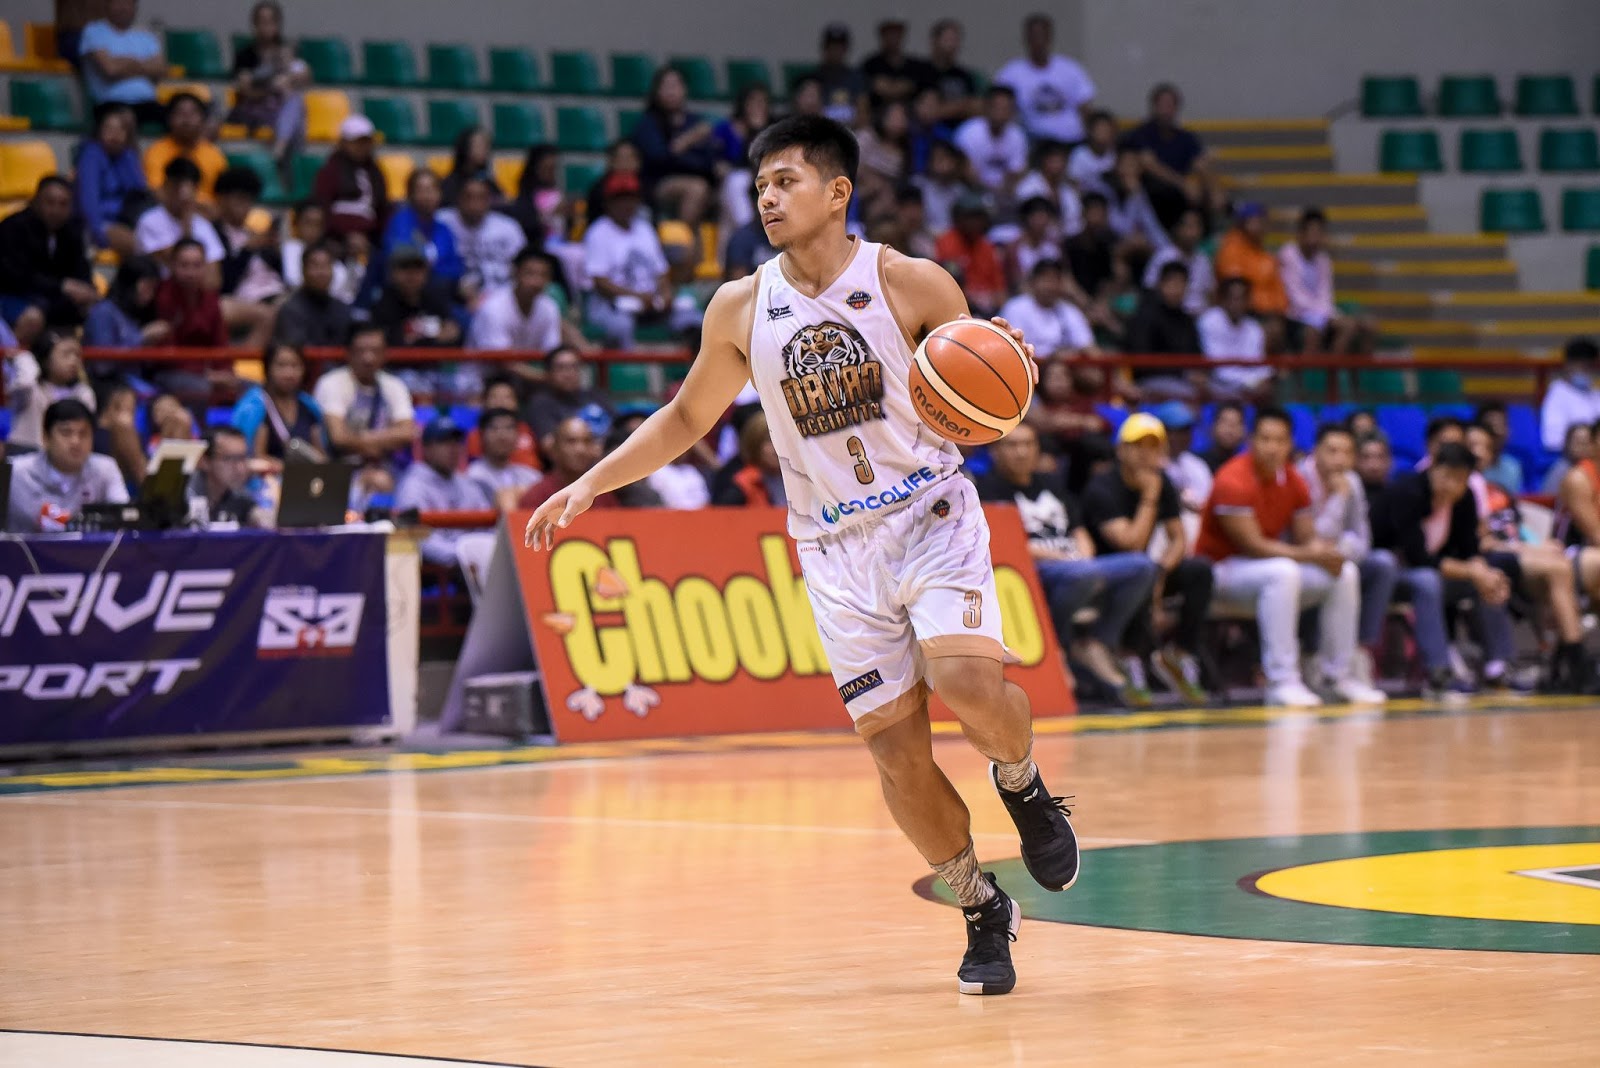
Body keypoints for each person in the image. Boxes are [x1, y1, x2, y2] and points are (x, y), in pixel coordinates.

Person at [524, 114, 1079, 997]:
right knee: (897, 756)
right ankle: (981, 906)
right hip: (833, 548)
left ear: (837, 191)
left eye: (785, 182)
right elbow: (685, 416)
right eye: (760, 187)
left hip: (930, 513)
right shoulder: (741, 306)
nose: (768, 199)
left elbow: (981, 386)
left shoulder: (910, 280)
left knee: (970, 684)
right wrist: (591, 483)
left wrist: (1006, 361)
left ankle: (1022, 782)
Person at [1194, 406, 1386, 707]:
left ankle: (1340, 677)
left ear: (1290, 444)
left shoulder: (1293, 479)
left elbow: (1306, 537)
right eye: (1265, 439)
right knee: (1284, 571)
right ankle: (1281, 681)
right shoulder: (1232, 479)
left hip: (1268, 572)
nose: (1272, 448)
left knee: (1343, 572)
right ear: (1251, 441)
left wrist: (1326, 554)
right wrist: (1310, 554)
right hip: (1221, 573)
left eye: (1279, 440)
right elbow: (1253, 545)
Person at [976, 421, 1159, 707]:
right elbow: (1006, 544)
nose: (1021, 452)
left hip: (1078, 565)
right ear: (995, 451)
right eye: (1012, 445)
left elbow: (1079, 530)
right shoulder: (986, 488)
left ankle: (1098, 641)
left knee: (1142, 566)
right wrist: (1072, 561)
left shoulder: (1051, 483)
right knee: (1083, 574)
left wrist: (1083, 556)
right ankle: (1058, 644)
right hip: (1032, 570)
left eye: (1028, 444)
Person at [1080, 413, 1214, 703]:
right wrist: (1149, 497)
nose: (1146, 454)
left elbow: (1179, 539)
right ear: (1121, 450)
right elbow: (1131, 543)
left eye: (1154, 447)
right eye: (1138, 446)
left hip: (1145, 569)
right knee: (1142, 570)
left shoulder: (1161, 480)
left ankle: (1180, 652)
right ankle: (1128, 657)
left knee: (1199, 571)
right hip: (1105, 572)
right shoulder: (1102, 488)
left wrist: (1162, 572)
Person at [1372, 444, 1522, 696]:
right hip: (1390, 576)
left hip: (1435, 574)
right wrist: (1473, 572)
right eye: (1446, 476)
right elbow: (1417, 557)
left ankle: (1499, 665)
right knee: (1428, 580)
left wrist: (1485, 575)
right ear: (1432, 467)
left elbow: (1470, 550)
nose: (1451, 485)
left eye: (1460, 479)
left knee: (1489, 577)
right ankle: (1438, 672)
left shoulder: (1464, 500)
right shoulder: (1407, 492)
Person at [1297, 424, 1394, 682]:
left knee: (1382, 564)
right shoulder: (1299, 479)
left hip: (1339, 558)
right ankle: (1312, 652)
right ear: (1316, 451)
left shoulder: (1352, 480)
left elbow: (1363, 537)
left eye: (1347, 452)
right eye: (1332, 451)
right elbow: (1313, 536)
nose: (1340, 459)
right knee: (1338, 572)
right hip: (1302, 558)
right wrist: (1339, 498)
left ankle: (1359, 650)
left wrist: (1340, 552)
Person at [313, 324, 417, 495]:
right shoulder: (331, 383)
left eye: (375, 351)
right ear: (349, 353)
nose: (368, 358)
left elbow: (407, 432)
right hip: (337, 468)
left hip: (385, 466)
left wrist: (362, 439)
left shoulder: (395, 385)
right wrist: (384, 441)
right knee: (379, 481)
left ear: (385, 354)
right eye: (361, 351)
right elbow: (338, 438)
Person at [5, 399, 129, 533]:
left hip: (88, 547)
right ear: (45, 437)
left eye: (83, 434)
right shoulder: (14, 472)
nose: (75, 441)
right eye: (66, 433)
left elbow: (125, 519)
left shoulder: (105, 469)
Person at [0, 177, 96, 347]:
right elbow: (19, 278)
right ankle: (12, 361)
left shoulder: (73, 231)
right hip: (12, 295)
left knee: (96, 310)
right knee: (33, 317)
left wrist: (86, 291)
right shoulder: (13, 227)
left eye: (63, 204)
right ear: (36, 201)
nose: (56, 210)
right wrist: (62, 286)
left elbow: (82, 270)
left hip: (52, 298)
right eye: (50, 202)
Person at [582, 173, 674, 348]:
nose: (627, 204)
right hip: (610, 304)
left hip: (650, 302)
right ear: (608, 203)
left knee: (691, 318)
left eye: (631, 198)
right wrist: (637, 297)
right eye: (620, 199)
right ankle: (631, 366)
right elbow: (600, 282)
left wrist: (665, 294)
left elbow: (661, 271)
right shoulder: (598, 232)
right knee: (621, 326)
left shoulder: (645, 229)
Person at [395, 416, 492, 565]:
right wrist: (461, 555)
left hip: (469, 564)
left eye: (456, 442)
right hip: (433, 570)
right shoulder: (412, 486)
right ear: (427, 449)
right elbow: (417, 537)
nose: (453, 448)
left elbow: (487, 527)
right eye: (444, 442)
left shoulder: (466, 484)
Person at [1122, 83, 1218, 229]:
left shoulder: (1186, 137)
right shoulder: (1141, 135)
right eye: (1162, 105)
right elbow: (1150, 165)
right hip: (1153, 192)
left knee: (1207, 194)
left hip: (1181, 193)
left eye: (1170, 105)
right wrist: (1182, 184)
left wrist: (1213, 190)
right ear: (1153, 106)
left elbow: (1200, 163)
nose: (1166, 110)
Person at [228, 0, 309, 168]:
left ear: (278, 24)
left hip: (278, 110)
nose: (266, 26)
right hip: (252, 110)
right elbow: (246, 93)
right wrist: (271, 88)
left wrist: (290, 77)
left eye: (270, 21)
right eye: (261, 21)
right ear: (254, 24)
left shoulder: (287, 52)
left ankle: (280, 150)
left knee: (295, 102)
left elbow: (305, 77)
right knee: (295, 115)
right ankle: (293, 161)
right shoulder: (245, 55)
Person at [631, 67, 717, 226]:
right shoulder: (649, 123)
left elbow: (708, 159)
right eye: (666, 86)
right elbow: (658, 158)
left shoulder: (694, 121)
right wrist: (687, 141)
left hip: (700, 178)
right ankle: (682, 237)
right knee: (696, 188)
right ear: (657, 92)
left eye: (676, 85)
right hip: (658, 183)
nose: (672, 91)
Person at [1279, 208, 1371, 354]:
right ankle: (1323, 367)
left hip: (1321, 312)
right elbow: (1294, 296)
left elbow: (1325, 292)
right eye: (1312, 233)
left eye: (1319, 234)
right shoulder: (1288, 254)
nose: (1315, 239)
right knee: (1329, 329)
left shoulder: (1323, 259)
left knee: (1366, 325)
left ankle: (1349, 367)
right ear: (1301, 233)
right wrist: (1324, 314)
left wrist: (1326, 314)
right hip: (1295, 314)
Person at [994, 13, 1096, 145]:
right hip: (1035, 143)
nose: (1038, 41)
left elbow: (1085, 107)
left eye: (1042, 35)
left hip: (1071, 140)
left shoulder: (1070, 68)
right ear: (1026, 38)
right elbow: (997, 106)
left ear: (1050, 37)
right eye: (1034, 36)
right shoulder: (1011, 73)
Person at [214, 165, 286, 347]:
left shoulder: (252, 234)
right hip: (242, 299)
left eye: (249, 200)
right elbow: (223, 283)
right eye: (240, 198)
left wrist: (275, 253)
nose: (245, 205)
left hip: (275, 292)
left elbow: (279, 275)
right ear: (222, 199)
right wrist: (246, 250)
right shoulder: (213, 233)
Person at [232, 342, 327, 463]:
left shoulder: (309, 407)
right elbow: (257, 457)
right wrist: (284, 468)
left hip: (306, 473)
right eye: (281, 365)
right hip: (268, 474)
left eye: (295, 365)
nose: (289, 373)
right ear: (267, 368)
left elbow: (320, 455)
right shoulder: (254, 407)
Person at [78, 0, 166, 127]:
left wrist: (123, 62)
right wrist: (143, 65)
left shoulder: (146, 36)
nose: (123, 8)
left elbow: (160, 70)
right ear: (107, 5)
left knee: (180, 116)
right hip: (111, 104)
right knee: (126, 119)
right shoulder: (94, 31)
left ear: (135, 7)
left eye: (128, 3)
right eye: (118, 2)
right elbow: (110, 70)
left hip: (148, 103)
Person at [76, 104, 148, 257]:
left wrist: (128, 157)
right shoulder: (91, 155)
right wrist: (98, 233)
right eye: (109, 129)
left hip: (129, 221)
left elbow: (139, 193)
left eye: (120, 130)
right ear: (99, 131)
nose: (114, 135)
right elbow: (89, 201)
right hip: (101, 223)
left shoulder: (128, 156)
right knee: (143, 245)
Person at [469, 249, 575, 352]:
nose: (537, 282)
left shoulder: (549, 306)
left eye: (544, 275)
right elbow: (500, 358)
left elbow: (551, 351)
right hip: (486, 365)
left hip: (529, 364)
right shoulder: (494, 308)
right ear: (515, 273)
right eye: (530, 274)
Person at [4, 332, 97, 451]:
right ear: (46, 359)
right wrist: (26, 357)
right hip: (25, 451)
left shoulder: (83, 393)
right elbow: (25, 383)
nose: (74, 361)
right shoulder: (31, 390)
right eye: (66, 354)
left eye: (77, 355)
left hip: (65, 454)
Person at [440, 175, 527, 300]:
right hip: (456, 293)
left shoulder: (508, 226)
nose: (474, 204)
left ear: (489, 200)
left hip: (503, 294)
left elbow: (523, 265)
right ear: (458, 198)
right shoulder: (443, 222)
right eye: (468, 197)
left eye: (481, 198)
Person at [1214, 202, 1287, 349]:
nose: (1259, 225)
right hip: (1241, 314)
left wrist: (1277, 311)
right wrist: (1265, 309)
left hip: (1268, 315)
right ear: (1242, 223)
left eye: (1262, 221)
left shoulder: (1266, 255)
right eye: (1254, 221)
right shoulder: (1231, 249)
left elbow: (1278, 290)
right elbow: (1235, 291)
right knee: (1268, 331)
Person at [1125, 261, 1201, 400]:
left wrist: (1199, 375)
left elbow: (1197, 355)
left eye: (1181, 283)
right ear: (1160, 284)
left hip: (1185, 380)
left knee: (1222, 393)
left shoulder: (1187, 320)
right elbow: (1142, 362)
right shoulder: (1145, 316)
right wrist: (1182, 373)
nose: (1177, 289)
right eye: (1172, 283)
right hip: (1150, 380)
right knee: (1189, 394)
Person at [314, 116, 389, 257]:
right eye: (357, 142)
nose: (362, 147)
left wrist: (370, 236)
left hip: (369, 240)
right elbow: (323, 207)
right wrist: (345, 235)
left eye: (366, 142)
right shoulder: (330, 172)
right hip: (336, 240)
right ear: (344, 142)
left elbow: (381, 209)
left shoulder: (376, 173)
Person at [517, 414, 621, 512]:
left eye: (587, 441)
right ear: (554, 448)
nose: (580, 449)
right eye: (571, 441)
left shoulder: (603, 495)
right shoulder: (536, 495)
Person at [382, 169, 464, 291]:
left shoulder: (444, 230)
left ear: (440, 194)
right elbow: (405, 264)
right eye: (421, 190)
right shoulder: (400, 222)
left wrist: (432, 269)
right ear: (410, 194)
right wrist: (437, 268)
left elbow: (456, 269)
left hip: (439, 291)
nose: (427, 196)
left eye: (432, 189)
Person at [135, 158, 225, 268]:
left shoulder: (204, 225)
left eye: (188, 188)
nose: (182, 195)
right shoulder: (149, 221)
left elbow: (213, 273)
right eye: (176, 186)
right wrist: (186, 227)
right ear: (166, 185)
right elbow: (175, 264)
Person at [142, 93, 228, 205]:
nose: (186, 120)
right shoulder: (155, 152)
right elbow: (156, 191)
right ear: (169, 119)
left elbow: (224, 196)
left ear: (203, 119)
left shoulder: (215, 155)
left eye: (192, 114)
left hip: (208, 212)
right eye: (180, 113)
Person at [998, 260, 1096, 358]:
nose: (1051, 286)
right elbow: (1010, 348)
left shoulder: (1069, 311)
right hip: (1026, 364)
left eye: (1055, 280)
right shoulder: (1015, 308)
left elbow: (1087, 346)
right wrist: (1051, 357)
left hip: (1063, 365)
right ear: (1033, 282)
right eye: (1046, 280)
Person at [1197, 277, 1272, 402]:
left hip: (1250, 387)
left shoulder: (1254, 328)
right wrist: (1249, 382)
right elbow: (1219, 367)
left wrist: (1262, 379)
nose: (1237, 304)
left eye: (1242, 298)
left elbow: (1259, 363)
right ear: (1222, 300)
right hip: (1218, 384)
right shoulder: (1209, 321)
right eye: (1233, 298)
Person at [934, 192, 1007, 317]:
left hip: (987, 310)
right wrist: (974, 297)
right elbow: (945, 286)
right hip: (955, 308)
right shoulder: (946, 242)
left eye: (978, 218)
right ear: (958, 219)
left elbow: (1000, 290)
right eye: (970, 218)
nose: (975, 223)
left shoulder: (987, 247)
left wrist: (993, 301)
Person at [524, 346, 614, 442]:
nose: (569, 374)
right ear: (548, 373)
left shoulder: (595, 395)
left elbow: (619, 426)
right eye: (561, 368)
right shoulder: (540, 404)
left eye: (574, 367)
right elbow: (549, 444)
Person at [952, 86, 1028, 197]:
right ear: (986, 107)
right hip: (972, 189)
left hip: (1004, 192)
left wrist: (1003, 192)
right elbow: (966, 173)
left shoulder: (1017, 135)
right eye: (996, 107)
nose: (1000, 113)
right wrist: (990, 192)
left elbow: (1016, 172)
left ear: (1012, 111)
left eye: (1005, 108)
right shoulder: (968, 133)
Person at [274, 243, 352, 347]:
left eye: (326, 266)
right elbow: (294, 349)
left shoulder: (342, 309)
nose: (321, 273)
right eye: (315, 266)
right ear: (303, 270)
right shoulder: (290, 309)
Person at [154, 237, 226, 348]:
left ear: (205, 266)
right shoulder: (163, 296)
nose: (191, 273)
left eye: (197, 265)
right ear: (172, 265)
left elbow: (221, 342)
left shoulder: (210, 297)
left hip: (207, 357)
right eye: (184, 265)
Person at [466, 407, 542, 510]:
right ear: (481, 435)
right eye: (494, 429)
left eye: (509, 428)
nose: (502, 436)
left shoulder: (532, 476)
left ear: (518, 435)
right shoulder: (472, 476)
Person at [84, 255, 169, 349]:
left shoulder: (141, 314)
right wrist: (143, 337)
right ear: (130, 283)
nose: (151, 294)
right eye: (147, 287)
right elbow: (103, 353)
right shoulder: (103, 312)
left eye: (154, 288)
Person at [1142, 207, 1212, 316]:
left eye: (1196, 226)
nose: (1192, 232)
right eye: (1188, 226)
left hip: (1199, 316)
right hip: (1169, 315)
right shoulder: (1163, 257)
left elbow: (1210, 294)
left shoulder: (1203, 260)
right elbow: (1150, 290)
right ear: (1178, 229)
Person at [188, 426, 261, 527]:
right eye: (229, 459)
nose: (240, 468)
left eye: (243, 458)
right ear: (204, 461)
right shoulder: (182, 498)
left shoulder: (240, 497)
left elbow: (260, 517)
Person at [712, 411, 788, 506]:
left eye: (783, 440)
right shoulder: (740, 488)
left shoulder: (801, 482)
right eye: (770, 440)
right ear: (755, 444)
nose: (778, 447)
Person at [1539, 337, 1600, 454]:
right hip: (1569, 457)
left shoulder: (1595, 394)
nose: (1586, 371)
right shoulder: (1557, 394)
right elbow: (1552, 440)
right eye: (1582, 366)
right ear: (1568, 365)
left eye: (1589, 366)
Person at [1014, 140, 1084, 241]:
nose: (1058, 166)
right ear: (1043, 161)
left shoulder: (1068, 191)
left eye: (1061, 161)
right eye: (1054, 161)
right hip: (1034, 240)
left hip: (1065, 241)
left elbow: (1075, 221)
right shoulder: (1027, 187)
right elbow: (1028, 220)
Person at [1157, 401, 1213, 515]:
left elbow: (1207, 506)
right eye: (1175, 431)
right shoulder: (1148, 465)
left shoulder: (1197, 465)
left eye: (1185, 430)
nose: (1182, 437)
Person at [860, 19, 929, 110]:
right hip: (878, 113)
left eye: (896, 35)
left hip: (910, 114)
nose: (893, 39)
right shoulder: (871, 65)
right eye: (889, 34)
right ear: (882, 37)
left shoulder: (916, 66)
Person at [806, 23, 866, 124]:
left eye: (839, 47)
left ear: (846, 49)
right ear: (824, 49)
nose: (836, 51)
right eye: (832, 47)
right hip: (821, 126)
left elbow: (863, 112)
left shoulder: (856, 77)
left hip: (851, 128)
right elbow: (810, 113)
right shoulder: (814, 78)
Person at [1006, 196, 1065, 292]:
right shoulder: (1014, 248)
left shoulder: (1055, 246)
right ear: (1027, 219)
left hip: (1054, 292)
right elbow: (1017, 283)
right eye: (1038, 217)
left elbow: (1065, 277)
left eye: (1044, 217)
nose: (1041, 222)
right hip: (1026, 294)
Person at [439, 126, 503, 208]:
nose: (485, 150)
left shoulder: (487, 181)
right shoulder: (450, 185)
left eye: (486, 146)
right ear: (465, 148)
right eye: (479, 145)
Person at [1543, 421, 1593, 495]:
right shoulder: (1560, 470)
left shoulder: (1595, 467)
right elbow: (1549, 498)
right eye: (1578, 442)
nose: (1583, 447)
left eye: (1586, 442)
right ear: (1568, 443)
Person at [1201, 402, 1246, 471]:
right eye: (1225, 423)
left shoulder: (1248, 465)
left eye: (1235, 424)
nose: (1229, 430)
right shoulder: (1198, 463)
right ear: (1213, 427)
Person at [1355, 431, 1393, 500]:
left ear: (1389, 461)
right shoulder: (1349, 495)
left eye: (1380, 457)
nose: (1374, 465)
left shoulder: (1401, 496)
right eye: (1366, 457)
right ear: (1356, 460)